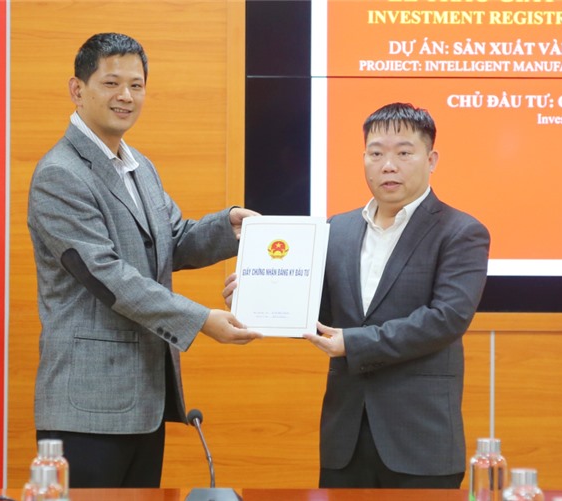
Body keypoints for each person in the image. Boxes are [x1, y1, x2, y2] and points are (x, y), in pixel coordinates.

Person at [27, 32, 261, 488]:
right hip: (87, 408)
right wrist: (201, 320)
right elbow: (107, 276)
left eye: (136, 85)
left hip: (143, 402)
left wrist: (230, 228)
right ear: (77, 89)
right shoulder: (60, 173)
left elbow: (171, 241)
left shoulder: (139, 167)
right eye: (111, 83)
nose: (126, 96)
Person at [225, 102, 490, 488]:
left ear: (431, 160)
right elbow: (317, 312)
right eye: (376, 153)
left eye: (404, 153)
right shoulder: (338, 229)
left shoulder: (460, 231)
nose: (388, 165)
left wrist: (353, 343)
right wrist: (255, 300)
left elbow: (446, 319)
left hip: (420, 439)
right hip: (344, 438)